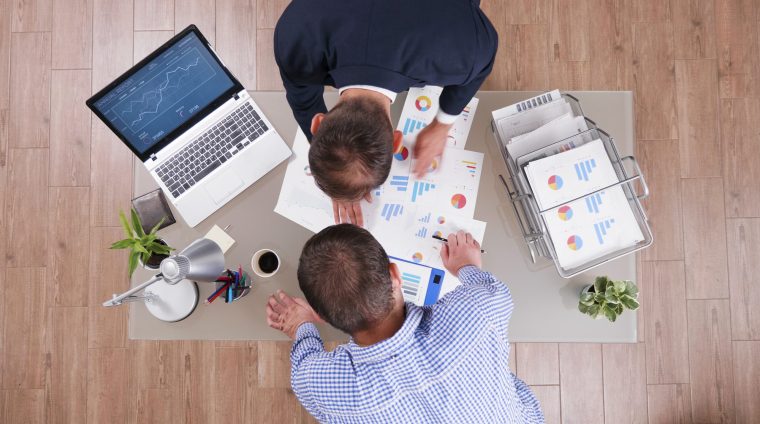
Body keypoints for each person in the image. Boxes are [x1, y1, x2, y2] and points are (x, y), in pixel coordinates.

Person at [265, 225, 544, 423]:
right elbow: (493, 292)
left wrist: (301, 326)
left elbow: (303, 366)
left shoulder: (321, 386)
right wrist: (466, 267)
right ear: (395, 274)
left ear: (322, 315)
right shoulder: (476, 312)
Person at [274, 0, 498, 226]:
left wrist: (443, 123)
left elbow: (483, 61)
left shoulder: (465, 49)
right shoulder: (295, 36)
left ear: (397, 140)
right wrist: (334, 169)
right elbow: (302, 98)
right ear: (317, 123)